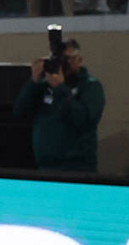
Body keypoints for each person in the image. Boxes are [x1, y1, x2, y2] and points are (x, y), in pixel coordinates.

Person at [13, 38, 104, 172]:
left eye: (67, 60)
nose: (62, 65)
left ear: (79, 60)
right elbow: (19, 112)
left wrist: (60, 88)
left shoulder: (90, 86)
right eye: (58, 60)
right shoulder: (44, 85)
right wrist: (33, 82)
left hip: (77, 167)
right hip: (45, 166)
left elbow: (82, 119)